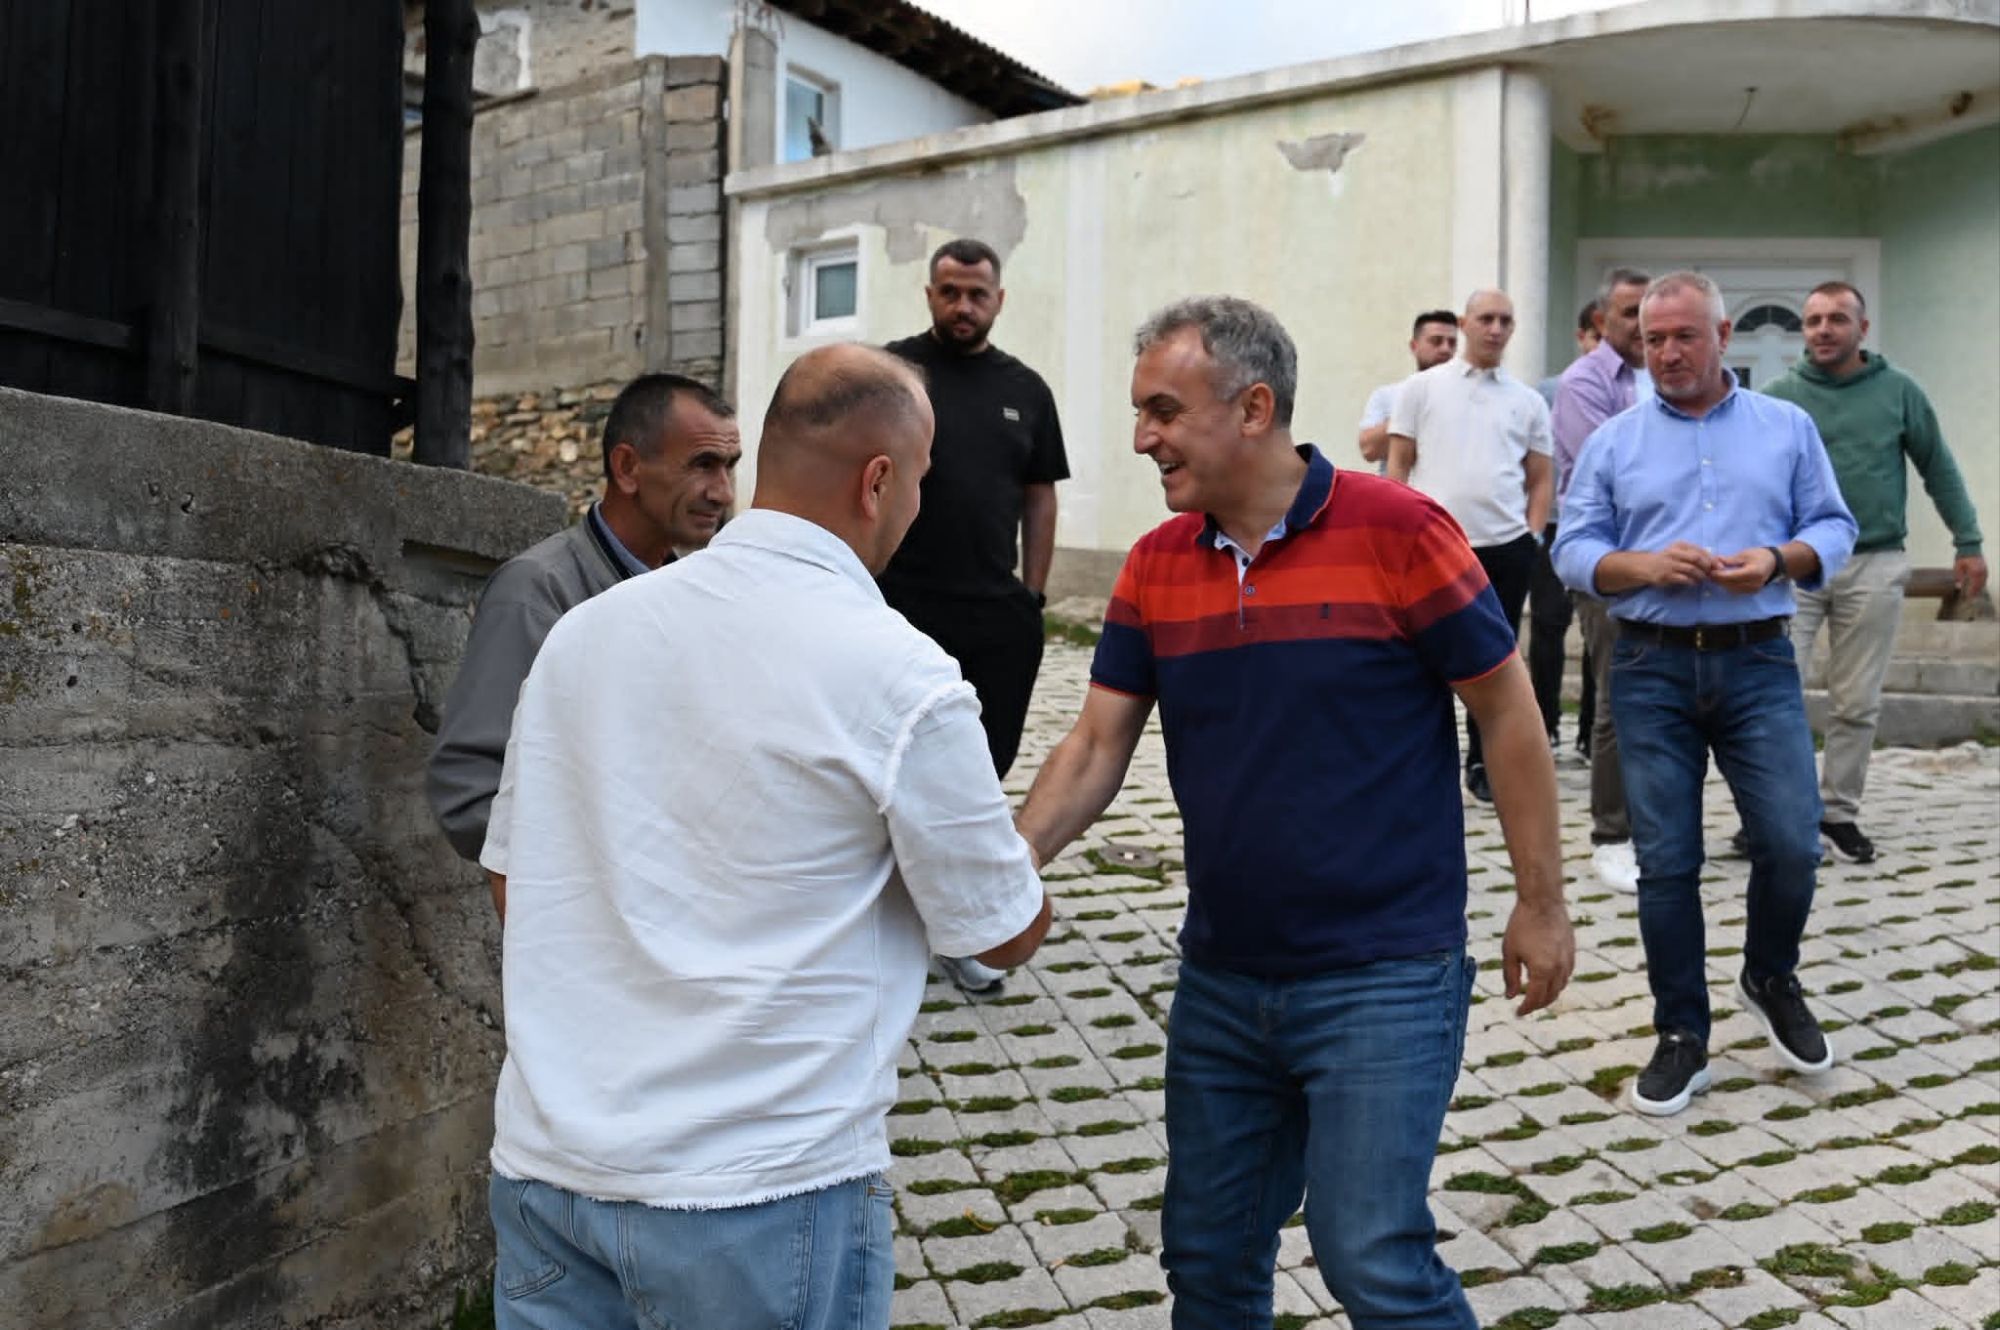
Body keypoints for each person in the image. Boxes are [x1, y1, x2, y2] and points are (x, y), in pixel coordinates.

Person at [1017, 296, 1574, 1330]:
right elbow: (1094, 745)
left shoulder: (1401, 531)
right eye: (1140, 412)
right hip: (1222, 979)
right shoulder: (1155, 564)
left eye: (1163, 410)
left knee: (1373, 1261)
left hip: (1384, 974)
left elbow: (1507, 711)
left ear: (1253, 408)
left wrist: (1540, 903)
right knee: (1208, 1257)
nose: (1141, 438)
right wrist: (1005, 869)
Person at [479, 343, 1052, 1329]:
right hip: (759, 1191)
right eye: (919, 480)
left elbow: (512, 881)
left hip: (549, 1173)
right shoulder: (900, 673)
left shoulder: (584, 634)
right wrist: (1019, 856)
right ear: (879, 481)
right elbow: (998, 932)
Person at [1554, 271, 1857, 1117]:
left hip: (1757, 660)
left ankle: (1770, 975)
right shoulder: (1614, 440)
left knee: (1792, 842)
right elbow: (1572, 548)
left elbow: (1834, 525)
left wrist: (1777, 560)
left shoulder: (1785, 427)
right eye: (1653, 339)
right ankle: (1682, 1033)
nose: (1667, 353)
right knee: (1667, 863)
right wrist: (1641, 566)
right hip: (1649, 667)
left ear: (1723, 336)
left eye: (1685, 335)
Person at [427, 373, 740, 873]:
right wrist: (599, 874)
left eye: (730, 466)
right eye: (703, 465)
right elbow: (468, 790)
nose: (722, 492)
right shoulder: (538, 591)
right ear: (628, 467)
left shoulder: (696, 597)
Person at [883, 237, 1069, 993]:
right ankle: (882, 920)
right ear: (929, 294)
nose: (963, 306)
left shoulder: (1026, 389)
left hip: (995, 616)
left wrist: (1034, 594)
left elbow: (1040, 493)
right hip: (898, 608)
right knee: (890, 774)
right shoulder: (890, 376)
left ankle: (960, 929)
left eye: (977, 294)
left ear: (999, 300)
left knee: (978, 775)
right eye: (950, 292)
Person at [1751, 280, 1986, 864]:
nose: (1822, 329)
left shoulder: (1898, 391)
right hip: (1795, 564)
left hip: (1874, 562)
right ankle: (1774, 815)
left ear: (1862, 327)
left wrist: (1968, 540)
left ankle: (1837, 814)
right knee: (1772, 695)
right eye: (1812, 320)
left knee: (1856, 701)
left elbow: (1938, 467)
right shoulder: (1779, 398)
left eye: (1836, 318)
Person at [1387, 288, 1554, 803]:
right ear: (1465, 323)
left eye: (1506, 320)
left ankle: (1483, 761)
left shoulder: (1527, 401)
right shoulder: (1420, 389)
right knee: (1421, 658)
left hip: (1506, 546)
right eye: (1486, 318)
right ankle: (1419, 759)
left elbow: (1541, 475)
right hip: (1433, 548)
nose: (1496, 329)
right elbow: (1398, 464)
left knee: (1495, 661)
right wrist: (1395, 535)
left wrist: (1533, 533)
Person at [1552, 267, 1652, 892]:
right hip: (1608, 563)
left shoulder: (1661, 375)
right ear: (1601, 321)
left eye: (1650, 310)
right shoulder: (1585, 382)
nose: (1643, 324)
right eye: (1630, 312)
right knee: (1618, 699)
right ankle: (1612, 835)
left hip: (1666, 562)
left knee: (1659, 699)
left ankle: (1656, 825)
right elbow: (1612, 469)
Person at [1525, 299, 1607, 766]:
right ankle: (1547, 725)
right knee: (1549, 625)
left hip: (1603, 527)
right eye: (1595, 338)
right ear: (1582, 339)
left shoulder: (1632, 387)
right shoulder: (1551, 390)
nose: (1602, 348)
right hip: (1556, 521)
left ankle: (1592, 732)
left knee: (1601, 629)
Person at [1357, 309, 1458, 469]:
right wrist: (1411, 411)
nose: (1445, 349)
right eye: (1436, 341)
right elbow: (1369, 450)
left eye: (1452, 343)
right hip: (1403, 484)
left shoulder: (1466, 397)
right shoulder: (1388, 395)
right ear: (1414, 346)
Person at [1536, 300, 1602, 406]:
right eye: (1598, 338)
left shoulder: (1629, 390)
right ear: (1581, 337)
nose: (1605, 348)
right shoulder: (1552, 391)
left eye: (1611, 341)